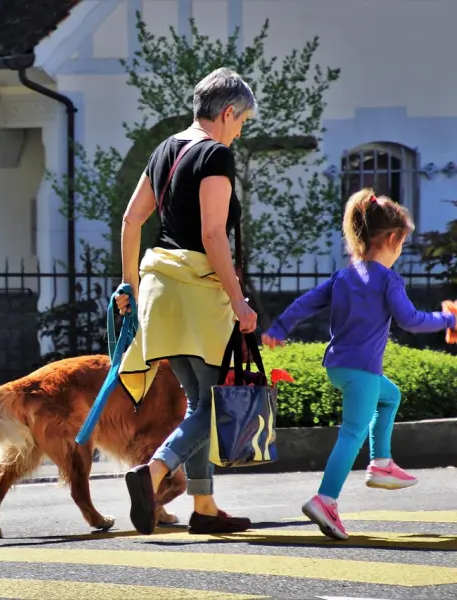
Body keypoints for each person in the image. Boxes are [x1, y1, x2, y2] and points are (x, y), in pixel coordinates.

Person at [261, 188, 456, 541]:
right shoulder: (387, 279)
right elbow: (410, 320)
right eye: (402, 245)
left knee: (390, 396)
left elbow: (306, 302)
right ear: (394, 239)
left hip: (338, 367)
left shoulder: (344, 276)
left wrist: (279, 328)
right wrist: (447, 320)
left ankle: (382, 463)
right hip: (363, 371)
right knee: (351, 434)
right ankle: (325, 499)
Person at [114, 67, 258, 535]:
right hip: (198, 291)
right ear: (229, 111)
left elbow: (132, 220)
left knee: (199, 402)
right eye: (242, 122)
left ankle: (205, 508)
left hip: (159, 290)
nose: (239, 131)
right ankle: (153, 473)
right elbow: (213, 233)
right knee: (215, 406)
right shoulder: (215, 155)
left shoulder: (164, 150)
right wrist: (239, 301)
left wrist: (129, 288)